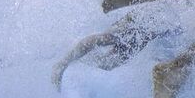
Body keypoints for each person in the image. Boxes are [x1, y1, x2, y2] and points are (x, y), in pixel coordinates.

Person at [52, 12, 181, 91]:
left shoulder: (191, 22)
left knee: (108, 65)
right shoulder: (184, 3)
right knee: (106, 39)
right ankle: (63, 63)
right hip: (141, 19)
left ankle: (77, 57)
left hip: (146, 35)